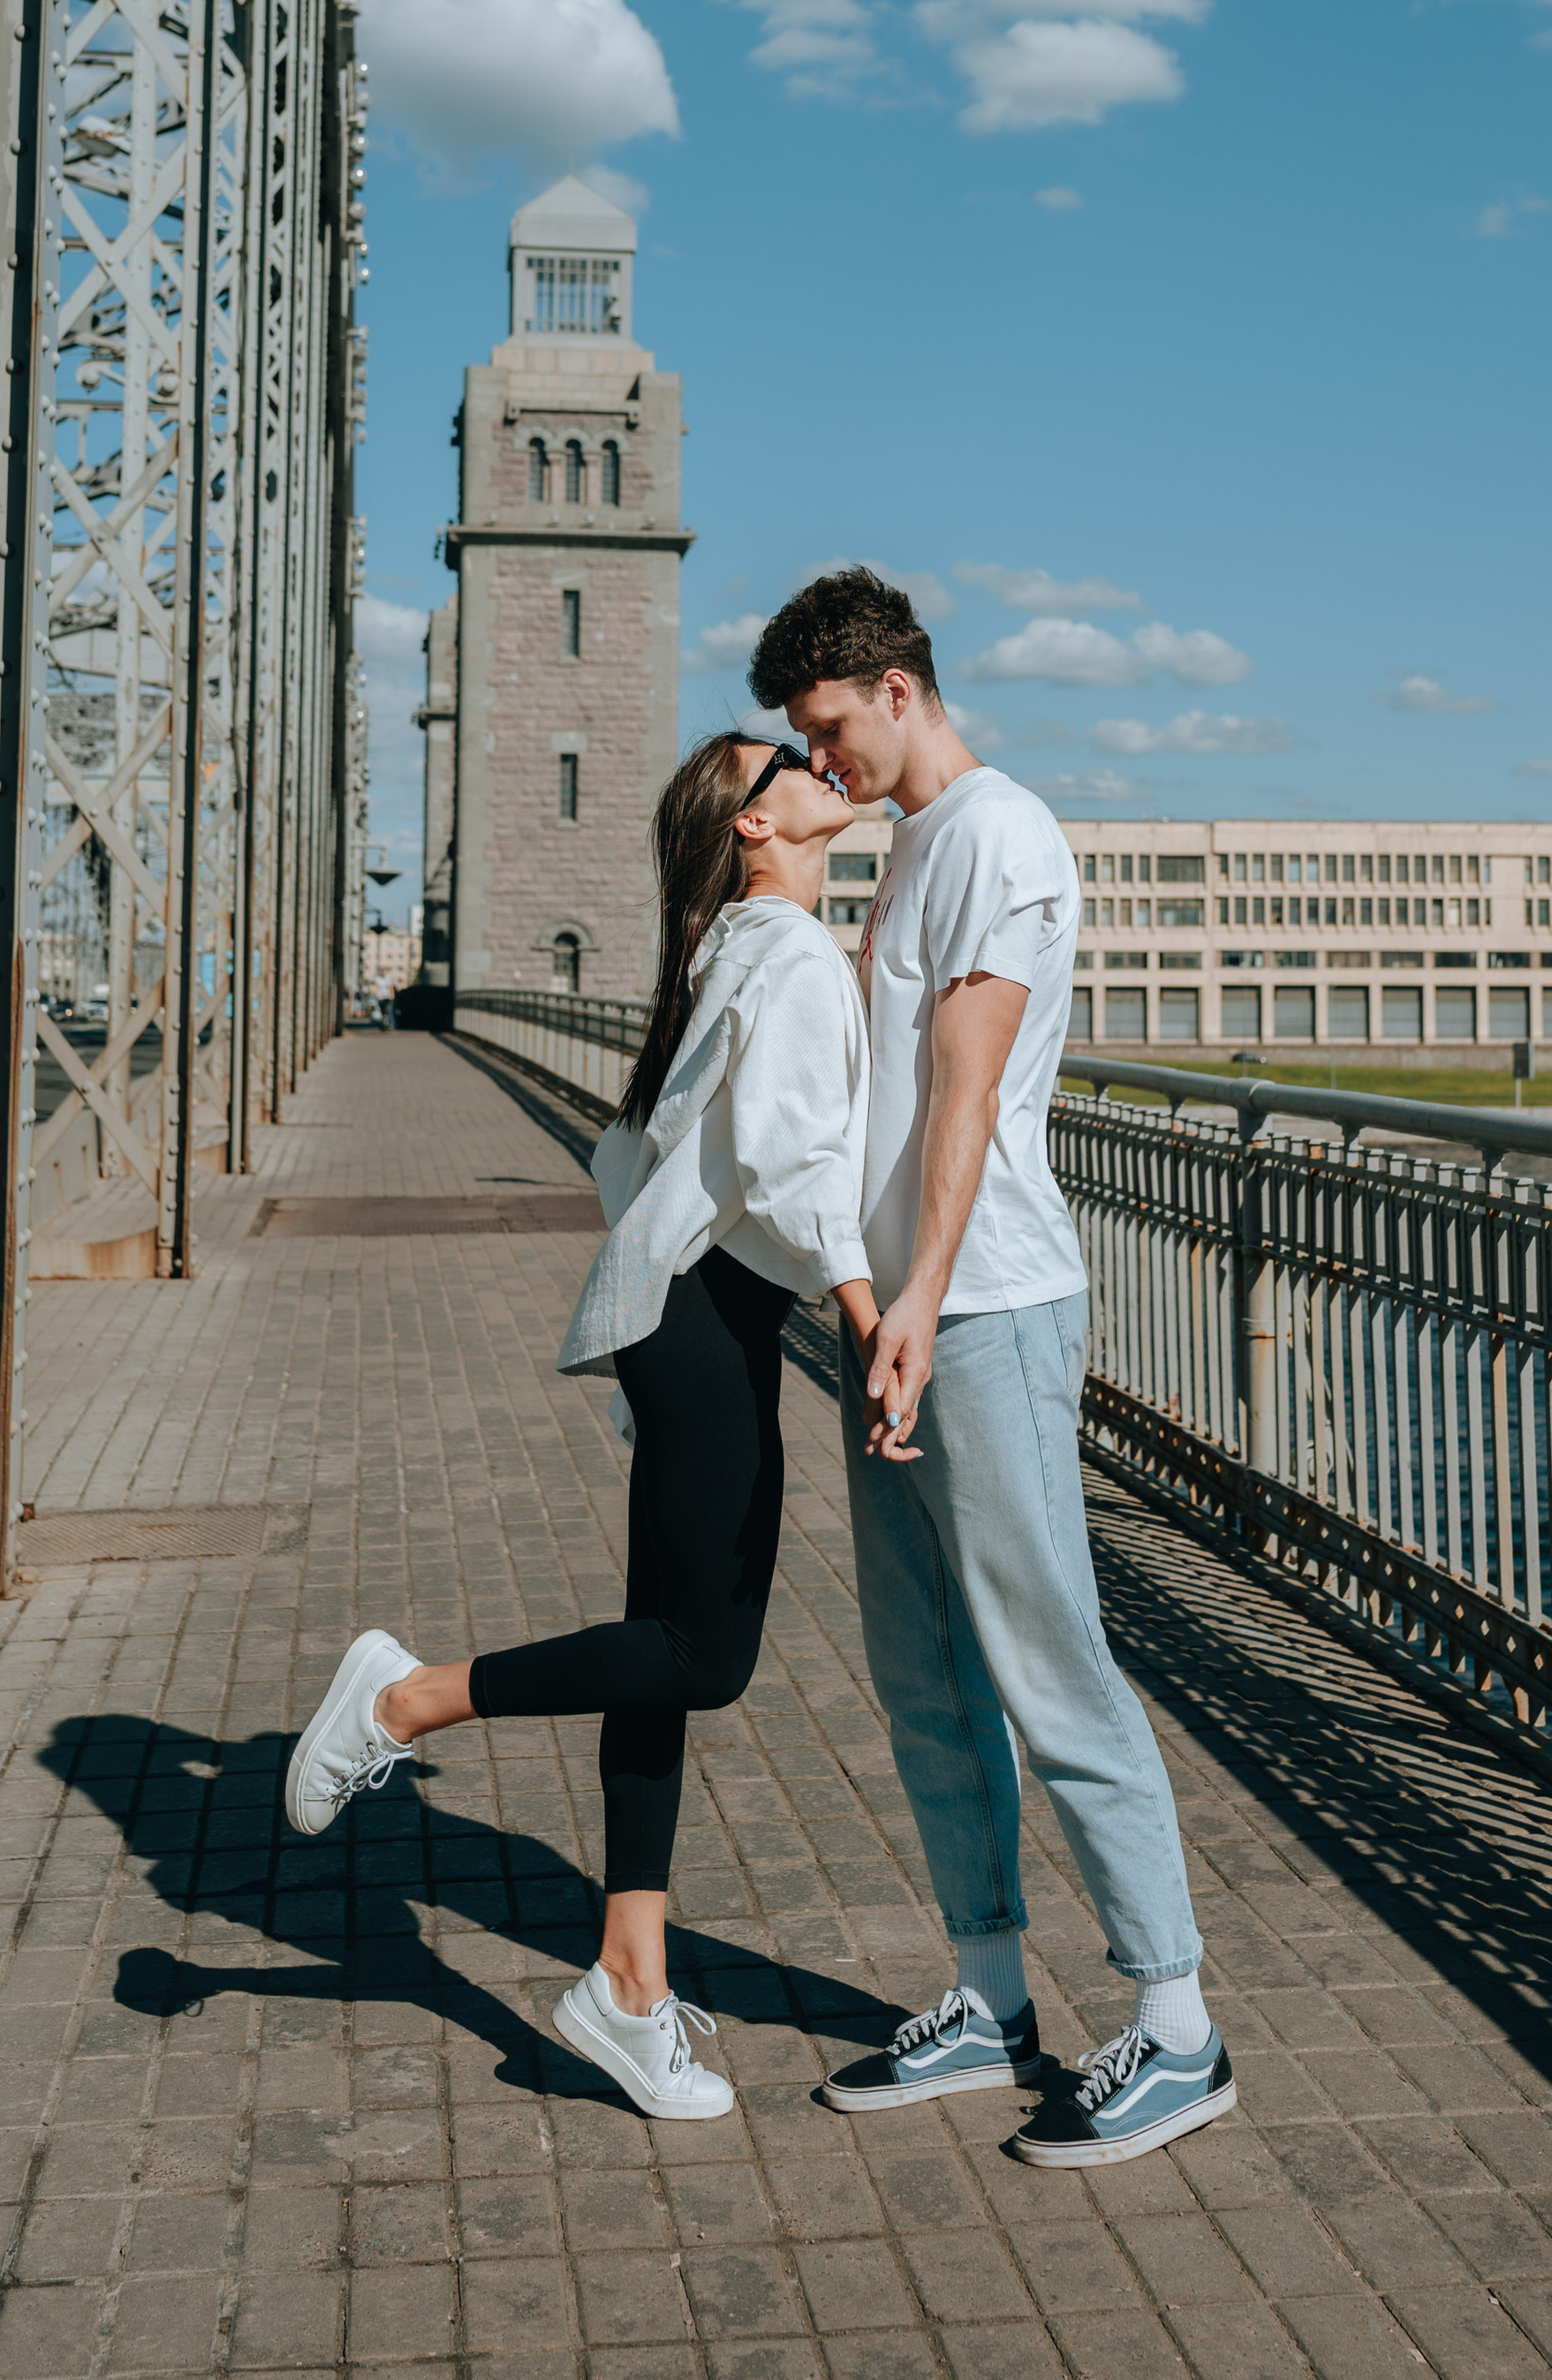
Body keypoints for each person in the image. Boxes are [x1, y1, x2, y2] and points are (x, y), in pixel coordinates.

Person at [284, 731, 888, 2120]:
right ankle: (400, 1698)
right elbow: (796, 1164)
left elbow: (665, 1148)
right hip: (715, 1323)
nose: (814, 762)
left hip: (691, 1318)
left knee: (659, 1663)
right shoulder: (783, 954)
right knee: (703, 1657)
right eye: (785, 762)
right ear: (753, 827)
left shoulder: (735, 945)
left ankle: (625, 1985)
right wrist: (868, 1324)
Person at [748, 568, 1234, 2168]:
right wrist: (872, 1297)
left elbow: (964, 1097)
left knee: (1049, 1663)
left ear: (898, 687)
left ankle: (1176, 2025)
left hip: (986, 1310)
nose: (821, 765)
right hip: (898, 1316)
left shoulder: (1001, 836)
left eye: (828, 731)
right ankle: (990, 1994)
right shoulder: (905, 848)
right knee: (924, 1675)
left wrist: (922, 1294)